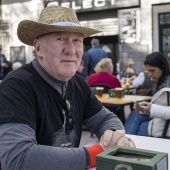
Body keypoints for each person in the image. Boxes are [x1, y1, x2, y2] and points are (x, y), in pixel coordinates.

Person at [0, 5, 135, 170]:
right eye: (60, 38)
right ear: (38, 48)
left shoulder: (77, 83)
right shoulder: (17, 86)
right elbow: (17, 159)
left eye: (77, 40)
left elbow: (106, 119)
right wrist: (97, 152)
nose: (71, 50)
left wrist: (112, 135)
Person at [125, 52, 170, 138]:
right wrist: (145, 107)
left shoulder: (166, 84)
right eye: (147, 71)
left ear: (163, 68)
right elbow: (160, 104)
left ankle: (124, 144)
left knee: (138, 125)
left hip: (164, 124)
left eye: (152, 71)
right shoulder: (157, 80)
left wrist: (151, 108)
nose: (149, 74)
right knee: (135, 114)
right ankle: (125, 143)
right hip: (160, 119)